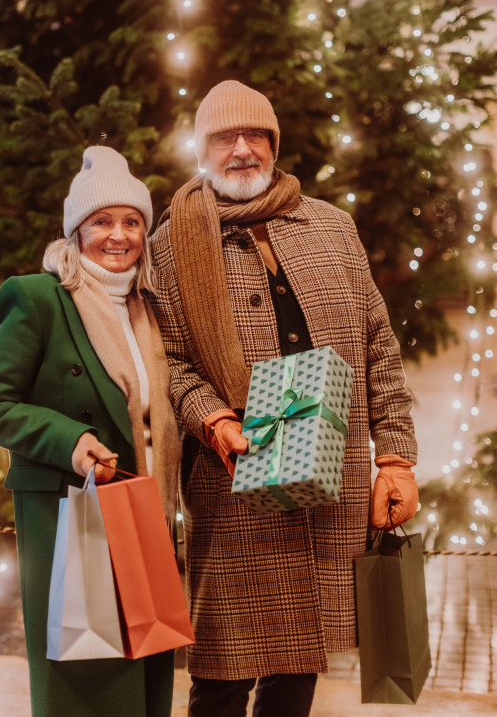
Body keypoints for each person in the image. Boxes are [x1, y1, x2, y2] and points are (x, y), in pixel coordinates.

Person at [149, 80, 419, 717]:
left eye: (256, 137)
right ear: (201, 149)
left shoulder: (330, 226)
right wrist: (209, 417)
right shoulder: (170, 244)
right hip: (234, 479)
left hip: (333, 479)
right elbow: (170, 362)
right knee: (223, 671)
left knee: (299, 664)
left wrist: (397, 458)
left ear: (273, 145)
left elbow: (378, 343)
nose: (242, 150)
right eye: (225, 138)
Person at [0, 146, 180, 717]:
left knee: (142, 671)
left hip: (144, 512)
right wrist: (70, 439)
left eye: (131, 221)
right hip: (70, 517)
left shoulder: (148, 308)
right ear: (76, 230)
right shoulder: (38, 298)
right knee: (86, 682)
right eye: (102, 221)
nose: (119, 235)